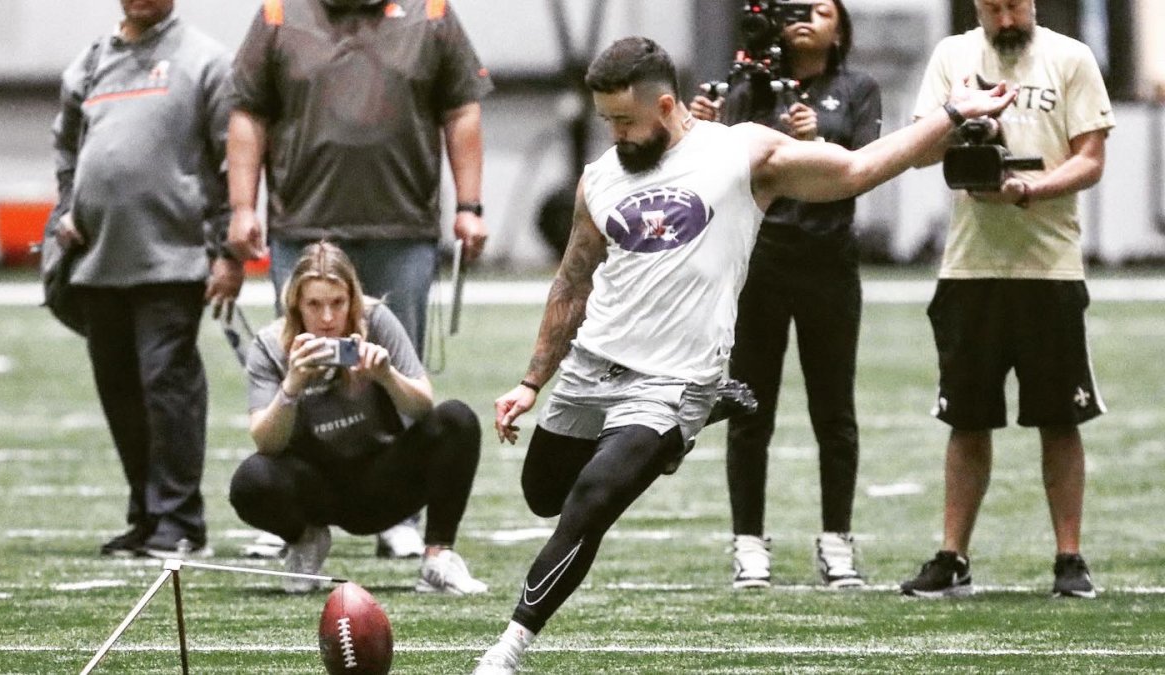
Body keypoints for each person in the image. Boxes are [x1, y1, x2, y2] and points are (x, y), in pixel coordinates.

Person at [472, 37, 1016, 673]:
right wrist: (532, 382)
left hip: (671, 379)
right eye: (606, 122)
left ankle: (507, 651)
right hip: (594, 365)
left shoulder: (741, 153)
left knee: (591, 502)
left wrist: (950, 117)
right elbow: (572, 279)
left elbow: (859, 168)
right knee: (545, 495)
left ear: (667, 105)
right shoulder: (599, 178)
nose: (615, 134)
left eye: (625, 120)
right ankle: (685, 428)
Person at [224, 0, 494, 557]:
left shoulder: (433, 15)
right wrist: (241, 207)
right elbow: (248, 114)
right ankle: (292, 511)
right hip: (302, 225)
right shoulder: (278, 14)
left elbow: (461, 108)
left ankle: (402, 518)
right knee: (298, 366)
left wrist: (470, 204)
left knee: (396, 367)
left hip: (402, 227)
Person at [899, 0, 1114, 600]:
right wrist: (957, 121)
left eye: (1014, 6)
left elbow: (1092, 159)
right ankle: (953, 553)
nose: (1006, 19)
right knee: (966, 420)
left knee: (1059, 418)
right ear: (977, 8)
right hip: (969, 268)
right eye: (993, 8)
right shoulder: (953, 57)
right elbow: (919, 152)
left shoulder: (1070, 58)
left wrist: (1028, 190)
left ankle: (1069, 557)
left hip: (1049, 267)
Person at [690, 0, 881, 589]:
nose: (804, 18)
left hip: (828, 265)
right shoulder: (748, 87)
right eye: (792, 8)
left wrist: (817, 137)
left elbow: (861, 167)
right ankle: (748, 542)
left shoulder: (858, 88)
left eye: (819, 9)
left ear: (839, 26)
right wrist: (698, 127)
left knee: (834, 411)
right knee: (750, 408)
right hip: (759, 265)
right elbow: (715, 172)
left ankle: (837, 542)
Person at [50, 0, 243, 559]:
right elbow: (67, 144)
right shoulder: (89, 64)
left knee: (167, 389)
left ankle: (180, 522)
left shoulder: (205, 60)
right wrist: (66, 203)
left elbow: (234, 156)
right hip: (98, 259)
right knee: (122, 395)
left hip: (173, 259)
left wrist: (229, 250)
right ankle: (146, 514)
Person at [228, 241, 488, 595]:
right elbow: (265, 441)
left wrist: (386, 377)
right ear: (295, 306)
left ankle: (437, 557)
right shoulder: (271, 346)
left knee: (457, 419)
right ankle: (305, 540)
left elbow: (423, 406)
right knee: (250, 481)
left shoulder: (376, 319)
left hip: (380, 478)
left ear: (353, 298)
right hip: (313, 486)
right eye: (314, 305)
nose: (327, 319)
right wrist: (292, 386)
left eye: (338, 303)